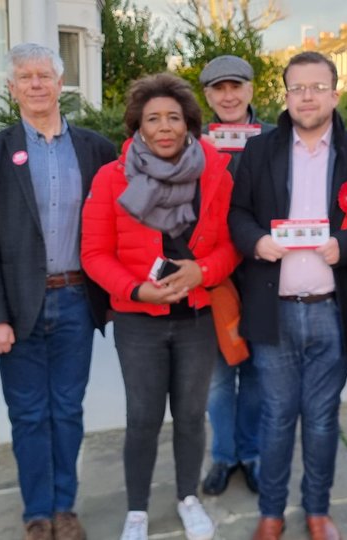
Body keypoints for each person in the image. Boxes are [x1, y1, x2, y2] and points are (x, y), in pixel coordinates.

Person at [228, 51, 347, 540]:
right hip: (274, 312)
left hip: (333, 312)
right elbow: (236, 215)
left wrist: (344, 244)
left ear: (335, 94)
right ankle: (272, 512)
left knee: (321, 418)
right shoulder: (259, 152)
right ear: (285, 95)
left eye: (317, 87)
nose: (307, 96)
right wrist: (256, 241)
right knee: (277, 417)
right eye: (297, 88)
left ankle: (317, 509)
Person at [0, 43, 118, 540]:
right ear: (12, 90)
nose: (36, 84)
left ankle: (64, 507)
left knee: (68, 410)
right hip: (18, 305)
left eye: (44, 75)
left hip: (78, 298)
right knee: (30, 413)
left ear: (60, 84)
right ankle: (37, 512)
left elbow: (118, 222)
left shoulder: (96, 148)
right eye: (25, 77)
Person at [81, 72, 239, 540]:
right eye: (153, 118)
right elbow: (93, 254)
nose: (164, 126)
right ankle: (137, 509)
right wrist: (136, 291)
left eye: (174, 116)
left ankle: (188, 497)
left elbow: (232, 246)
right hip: (139, 322)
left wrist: (203, 272)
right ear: (138, 126)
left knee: (191, 416)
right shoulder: (111, 179)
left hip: (196, 318)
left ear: (189, 123)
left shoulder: (214, 172)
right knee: (143, 418)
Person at [197, 54, 275, 496]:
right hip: (213, 275)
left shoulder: (275, 138)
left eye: (235, 86)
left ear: (250, 89)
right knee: (218, 377)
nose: (228, 96)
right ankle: (224, 456)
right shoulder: (195, 141)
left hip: (265, 268)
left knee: (260, 376)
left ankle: (252, 453)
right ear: (207, 95)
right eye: (218, 89)